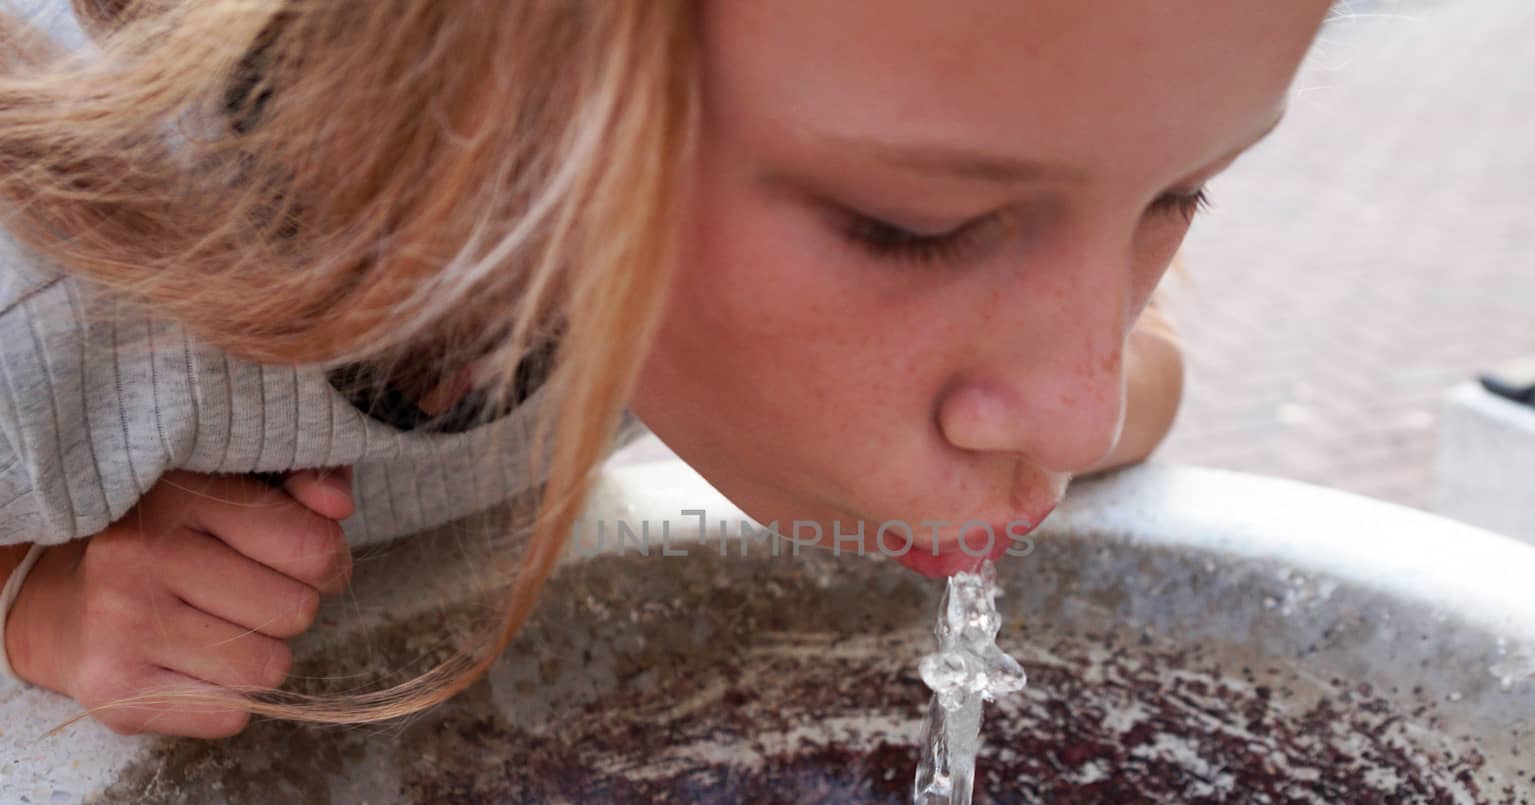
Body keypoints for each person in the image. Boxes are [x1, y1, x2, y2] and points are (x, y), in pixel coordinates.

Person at [0, 0, 1331, 737]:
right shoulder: (45, 295)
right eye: (913, 227)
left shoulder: (676, 210)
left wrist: (1082, 415)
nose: (1072, 392)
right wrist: (37, 600)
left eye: (1181, 196)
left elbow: (1131, 390)